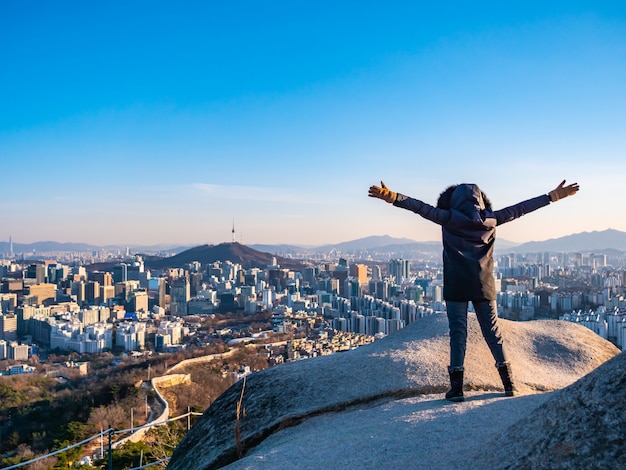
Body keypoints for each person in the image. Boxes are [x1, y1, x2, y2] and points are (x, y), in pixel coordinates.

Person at [368, 180, 579, 402]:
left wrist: (393, 197)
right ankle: (509, 385)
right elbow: (522, 208)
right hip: (483, 284)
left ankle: (457, 390)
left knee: (458, 335)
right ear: (481, 201)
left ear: (453, 201)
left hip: (456, 284)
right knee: (493, 334)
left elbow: (419, 207)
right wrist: (552, 196)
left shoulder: (447, 218)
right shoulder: (493, 219)